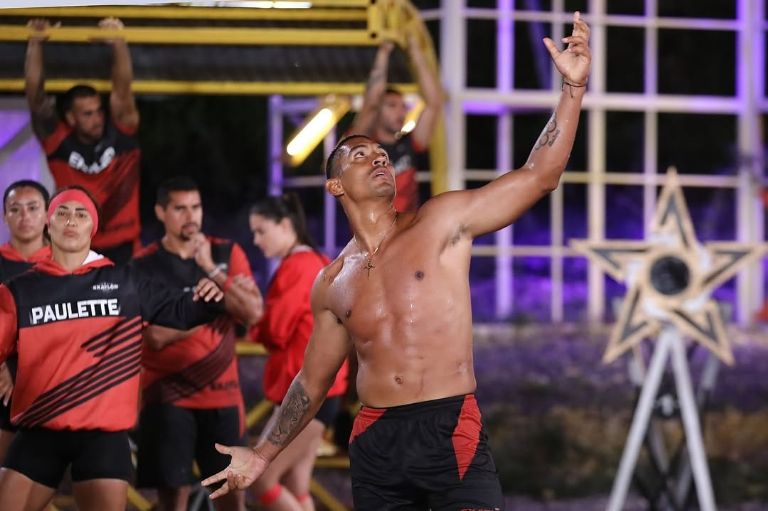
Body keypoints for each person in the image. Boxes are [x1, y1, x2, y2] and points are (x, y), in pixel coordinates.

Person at [204, 12, 591, 510]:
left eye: (382, 154)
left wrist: (572, 88)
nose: (379, 157)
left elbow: (539, 175)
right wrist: (262, 456)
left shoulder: (441, 222)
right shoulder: (332, 281)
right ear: (335, 185)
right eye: (360, 155)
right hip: (377, 437)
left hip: (449, 425)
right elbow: (311, 382)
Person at [0, 185, 225, 511]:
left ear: (93, 227)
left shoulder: (125, 282)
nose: (71, 221)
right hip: (39, 430)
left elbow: (183, 311)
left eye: (81, 214)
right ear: (49, 223)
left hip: (103, 437)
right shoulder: (19, 290)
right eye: (62, 213)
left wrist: (210, 297)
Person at [131, 177, 262, 511]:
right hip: (167, 398)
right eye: (180, 209)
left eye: (196, 207)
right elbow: (154, 336)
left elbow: (252, 313)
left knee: (232, 500)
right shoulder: (144, 265)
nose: (191, 216)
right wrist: (216, 309)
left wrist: (210, 270)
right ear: (161, 212)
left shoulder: (225, 253)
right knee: (172, 502)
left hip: (223, 397)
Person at [247, 194, 349, 510]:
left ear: (285, 225)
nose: (256, 240)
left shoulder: (298, 267)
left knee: (261, 479)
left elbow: (275, 332)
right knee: (296, 484)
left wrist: (251, 316)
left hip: (305, 393)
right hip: (324, 390)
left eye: (261, 231)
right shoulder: (317, 260)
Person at [25, 17, 141, 264]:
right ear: (71, 117)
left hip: (125, 249)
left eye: (99, 111)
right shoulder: (58, 141)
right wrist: (36, 42)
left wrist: (118, 43)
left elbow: (122, 92)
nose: (97, 119)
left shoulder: (121, 134)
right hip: (77, 248)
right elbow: (36, 99)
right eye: (87, 114)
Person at [350, 31, 443, 213]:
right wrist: (383, 52)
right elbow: (371, 103)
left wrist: (415, 51)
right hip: (374, 227)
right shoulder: (362, 144)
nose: (400, 112)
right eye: (392, 105)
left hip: (407, 227)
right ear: (378, 111)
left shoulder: (409, 144)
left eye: (403, 106)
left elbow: (434, 103)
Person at [0, 180, 51, 465]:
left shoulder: (67, 264)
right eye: (15, 209)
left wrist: (19, 366)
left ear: (47, 214)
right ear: (5, 216)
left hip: (53, 380)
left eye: (33, 208)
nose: (25, 217)